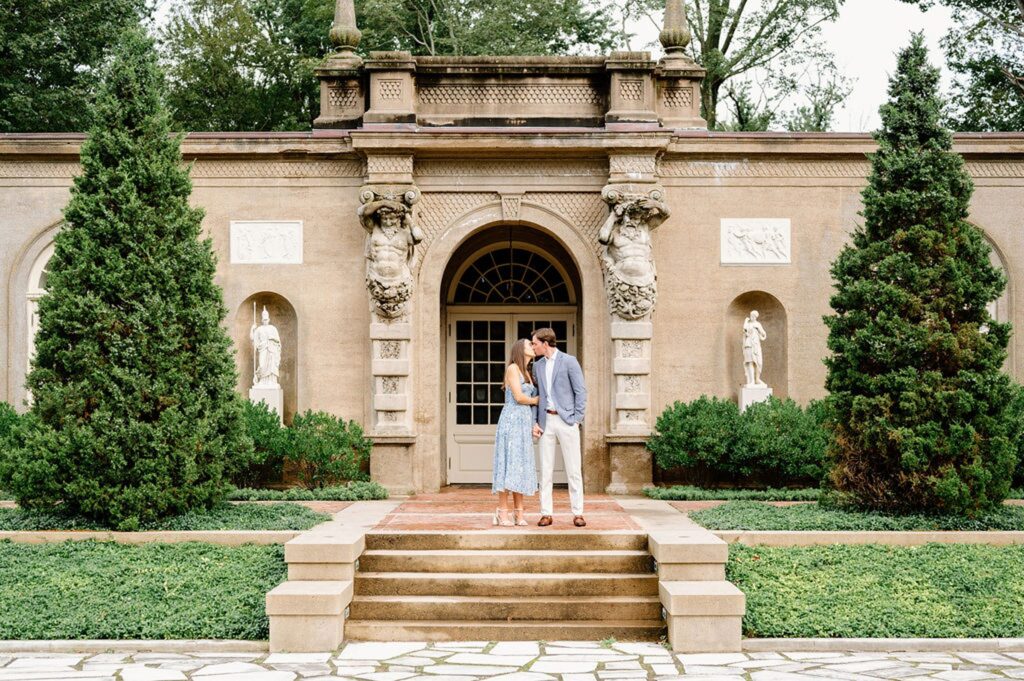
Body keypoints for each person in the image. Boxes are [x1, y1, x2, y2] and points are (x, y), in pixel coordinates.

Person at [531, 327, 587, 527]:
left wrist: (577, 419)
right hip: (546, 421)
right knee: (545, 470)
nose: (533, 347)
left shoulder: (569, 361)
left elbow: (581, 391)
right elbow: (536, 396)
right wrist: (534, 422)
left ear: (545, 344)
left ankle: (578, 512)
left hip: (567, 421)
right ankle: (546, 513)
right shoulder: (537, 366)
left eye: (535, 343)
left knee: (573, 469)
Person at [491, 339, 540, 527]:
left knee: (519, 467)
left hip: (523, 422)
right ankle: (502, 513)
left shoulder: (528, 371)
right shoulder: (513, 368)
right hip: (511, 421)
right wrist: (537, 400)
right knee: (507, 465)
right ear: (521, 349)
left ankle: (519, 514)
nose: (532, 347)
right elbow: (519, 397)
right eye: (529, 345)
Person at [250, 307, 281, 388]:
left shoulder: (273, 328)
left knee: (271, 365)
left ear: (269, 319)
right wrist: (252, 330)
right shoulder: (259, 329)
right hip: (263, 348)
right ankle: (262, 381)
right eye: (264, 319)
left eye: (266, 319)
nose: (265, 321)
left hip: (272, 349)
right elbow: (254, 339)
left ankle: (271, 381)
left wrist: (272, 338)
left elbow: (278, 341)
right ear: (262, 320)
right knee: (262, 364)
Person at [743, 310, 767, 386]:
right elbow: (744, 330)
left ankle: (757, 379)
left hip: (756, 345)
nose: (751, 317)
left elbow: (763, 334)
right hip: (749, 344)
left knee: (759, 363)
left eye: (753, 316)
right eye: (751, 315)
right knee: (750, 362)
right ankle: (752, 381)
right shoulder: (747, 324)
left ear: (756, 317)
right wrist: (745, 321)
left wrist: (759, 330)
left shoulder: (758, 324)